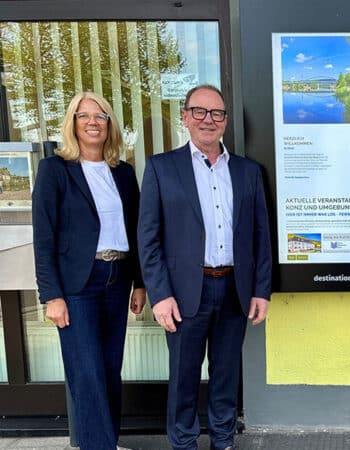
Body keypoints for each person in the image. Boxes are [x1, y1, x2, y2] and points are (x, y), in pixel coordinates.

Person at [138, 84, 272, 450]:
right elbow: (148, 239)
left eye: (216, 113)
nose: (207, 119)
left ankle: (223, 441)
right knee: (183, 377)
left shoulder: (247, 172)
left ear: (225, 121)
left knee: (226, 376)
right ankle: (183, 443)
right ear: (185, 117)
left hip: (234, 290)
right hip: (183, 293)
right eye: (199, 111)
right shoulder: (161, 168)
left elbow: (261, 236)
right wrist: (160, 295)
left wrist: (261, 290)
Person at [32, 92, 146, 450]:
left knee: (110, 369)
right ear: (73, 123)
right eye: (84, 116)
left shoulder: (123, 173)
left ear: (109, 125)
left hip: (117, 278)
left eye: (101, 116)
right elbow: (44, 237)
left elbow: (137, 229)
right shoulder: (55, 170)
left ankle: (104, 441)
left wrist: (140, 283)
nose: (93, 122)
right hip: (77, 285)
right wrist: (51, 295)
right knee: (87, 372)